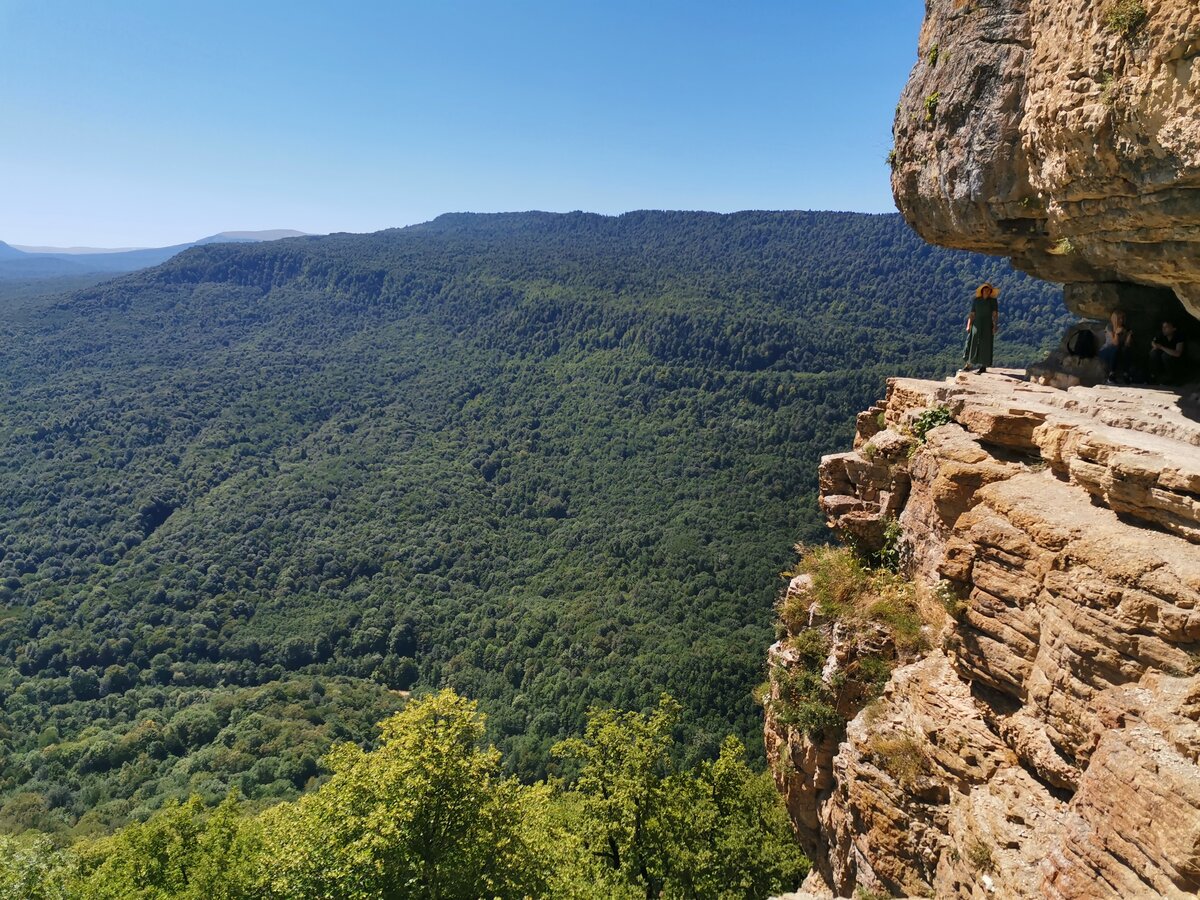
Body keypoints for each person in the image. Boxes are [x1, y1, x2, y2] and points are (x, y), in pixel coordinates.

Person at [962, 283, 999, 373]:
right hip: (976, 324)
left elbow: (994, 315)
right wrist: (968, 325)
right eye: (985, 290)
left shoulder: (993, 301)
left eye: (988, 290)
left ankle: (983, 366)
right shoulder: (976, 301)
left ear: (990, 291)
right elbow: (972, 314)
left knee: (985, 344)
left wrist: (995, 326)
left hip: (987, 324)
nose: (987, 291)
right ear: (982, 291)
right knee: (972, 343)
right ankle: (968, 364)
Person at [1098, 310, 1134, 383]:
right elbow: (1115, 343)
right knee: (1115, 348)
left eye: (1122, 318)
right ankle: (1111, 375)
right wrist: (1117, 334)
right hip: (1106, 350)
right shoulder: (1109, 327)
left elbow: (1127, 344)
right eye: (1119, 318)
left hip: (1119, 351)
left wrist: (1129, 335)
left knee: (1126, 350)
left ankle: (1126, 374)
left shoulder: (1126, 328)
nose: (1121, 320)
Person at [1149, 319, 1185, 384]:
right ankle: (1156, 376)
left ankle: (1171, 378)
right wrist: (1154, 345)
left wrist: (1162, 347)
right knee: (1153, 354)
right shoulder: (1161, 335)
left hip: (1177, 362)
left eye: (1166, 327)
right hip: (1162, 362)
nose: (1163, 329)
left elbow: (1178, 353)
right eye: (1163, 327)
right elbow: (1153, 342)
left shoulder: (1179, 336)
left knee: (1165, 356)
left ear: (1174, 329)